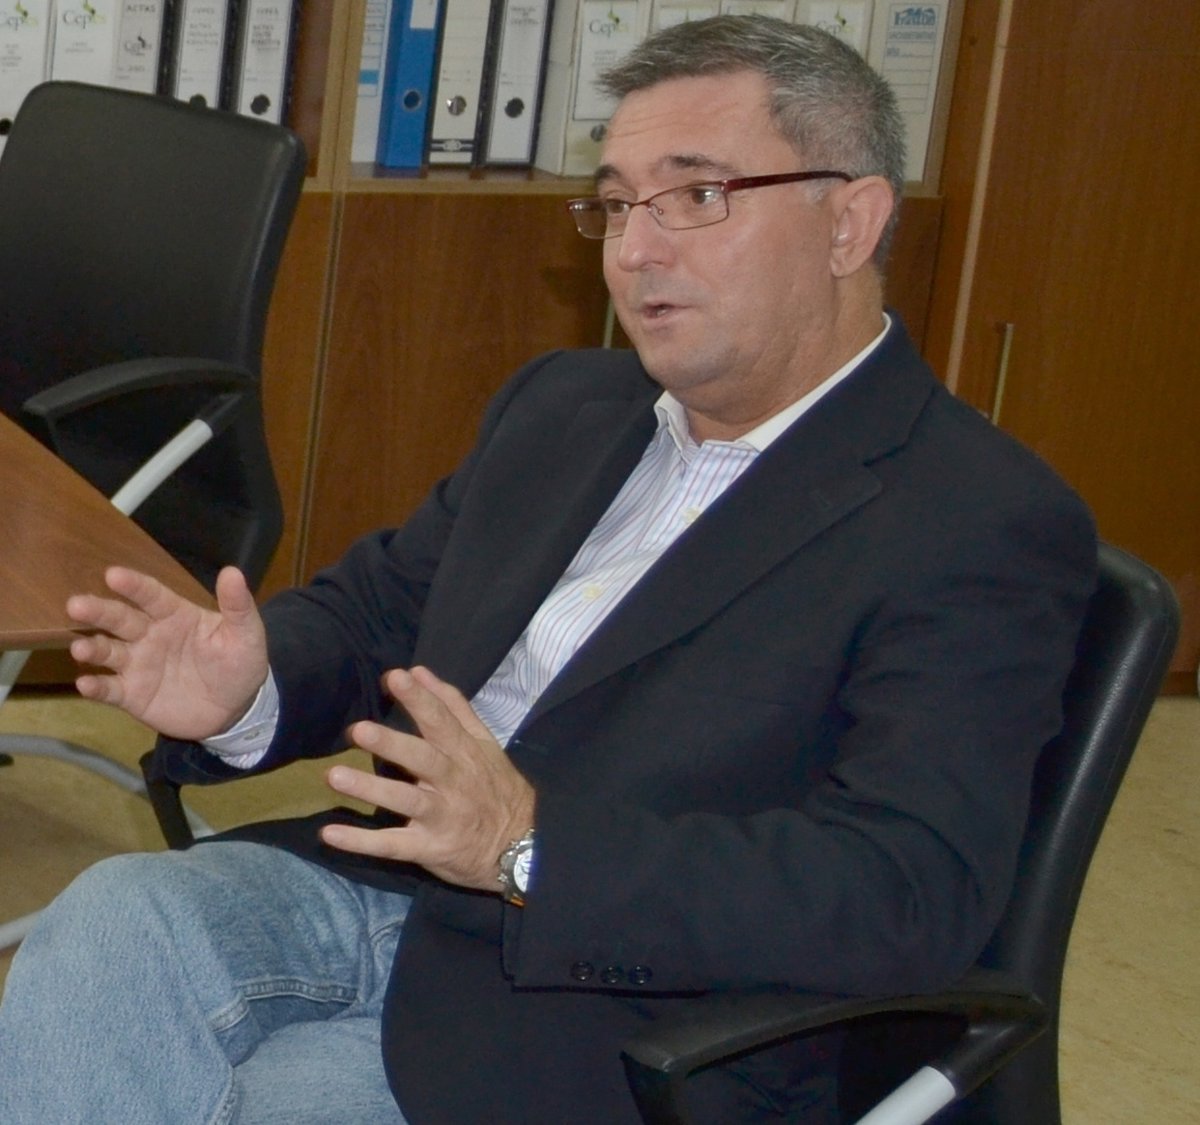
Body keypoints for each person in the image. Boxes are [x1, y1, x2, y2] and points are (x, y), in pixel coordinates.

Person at [0, 14, 1096, 1124]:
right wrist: (252, 687)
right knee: (107, 926)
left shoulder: (975, 520)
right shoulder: (566, 406)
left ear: (849, 222)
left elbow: (906, 890)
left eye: (696, 196)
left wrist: (530, 849)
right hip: (394, 889)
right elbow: (383, 610)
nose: (634, 250)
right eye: (617, 204)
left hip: (619, 1011)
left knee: (249, 1104)